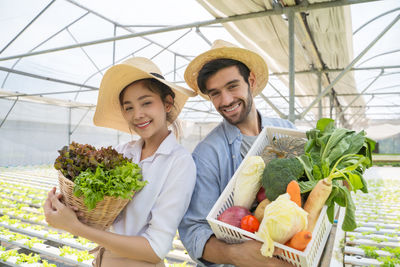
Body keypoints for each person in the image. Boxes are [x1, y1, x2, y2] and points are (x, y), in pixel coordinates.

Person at [44, 57, 197, 267]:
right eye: (129, 107)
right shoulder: (124, 152)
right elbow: (97, 214)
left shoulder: (179, 162)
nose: (137, 114)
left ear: (167, 103)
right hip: (103, 259)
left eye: (146, 103)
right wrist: (63, 207)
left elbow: (155, 249)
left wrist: (75, 227)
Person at [178, 40, 295, 267]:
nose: (226, 101)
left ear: (251, 81)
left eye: (232, 86)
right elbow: (193, 230)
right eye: (215, 94)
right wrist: (235, 255)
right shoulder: (207, 154)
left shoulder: (287, 130)